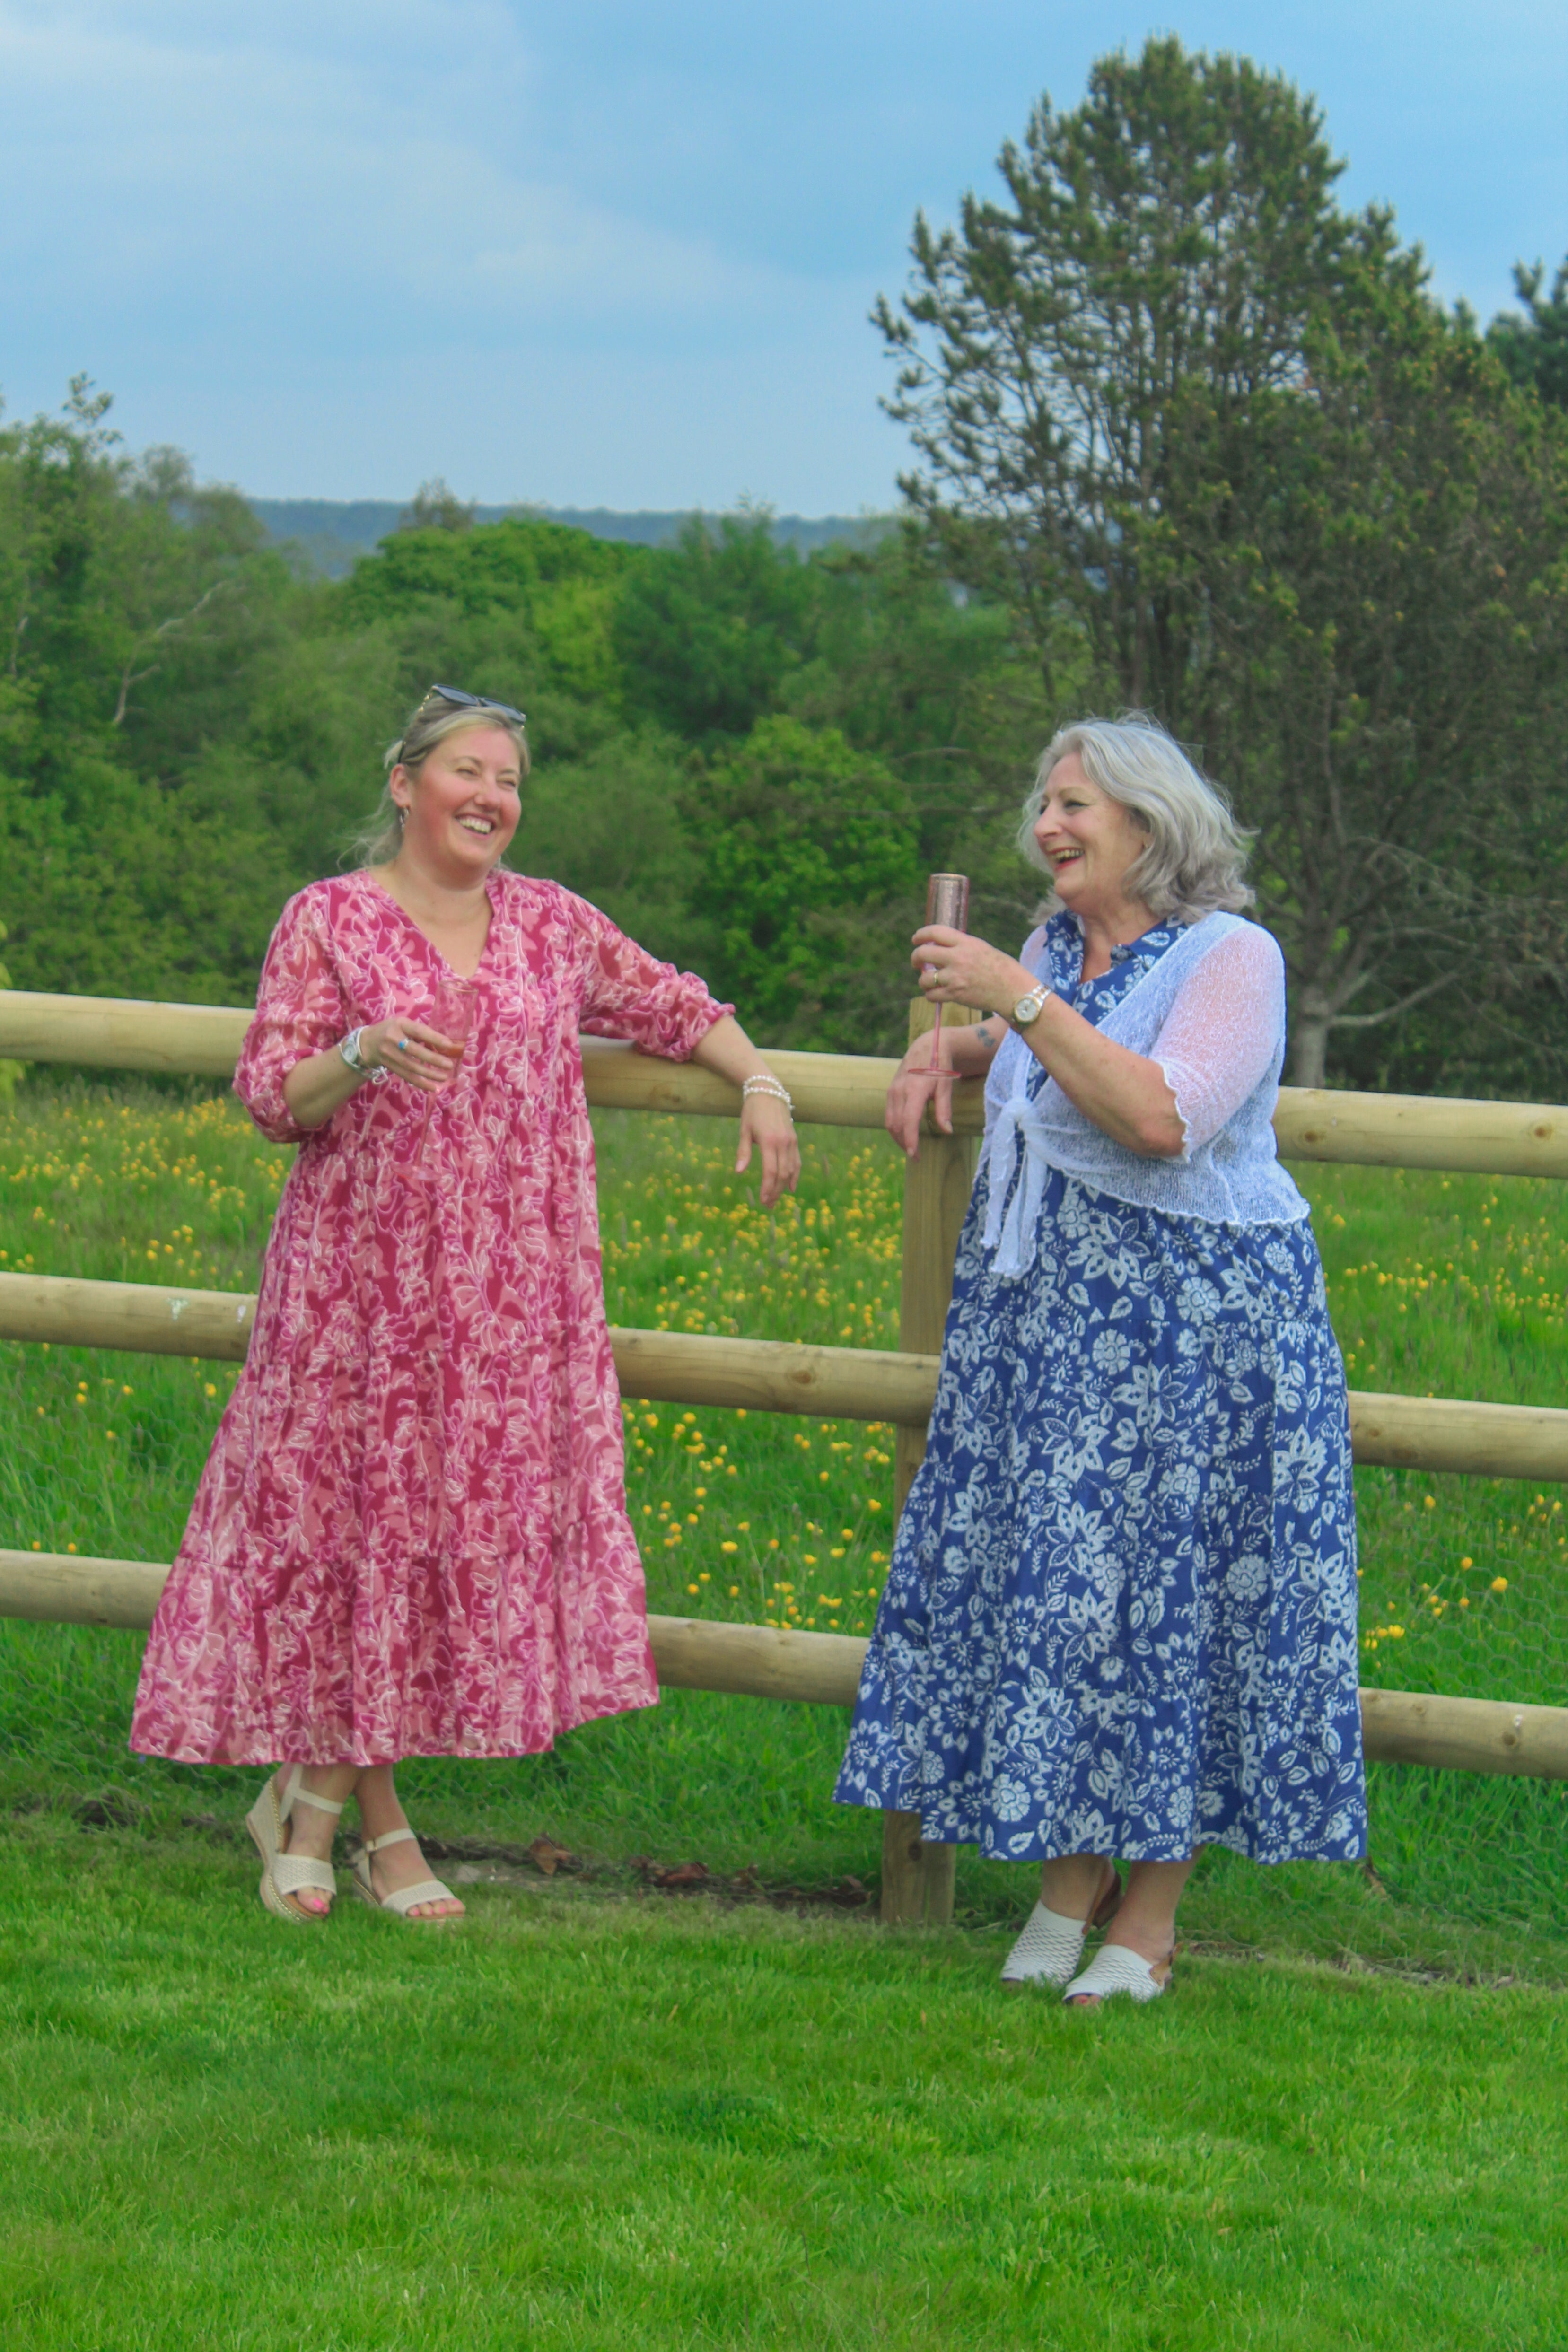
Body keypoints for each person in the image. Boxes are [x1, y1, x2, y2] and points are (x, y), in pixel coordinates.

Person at [131, 685, 799, 1924]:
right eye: (468, 771)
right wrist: (368, 1047)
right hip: (355, 1296)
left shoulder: (549, 923)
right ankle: (348, 1821)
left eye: (511, 781)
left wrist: (760, 1081)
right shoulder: (326, 918)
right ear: (404, 783)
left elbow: (675, 1004)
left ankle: (321, 1807)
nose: (494, 797)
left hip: (507, 1307)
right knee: (351, 1540)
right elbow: (275, 1095)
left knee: (426, 1546)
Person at [835, 713, 1364, 2004]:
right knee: (1071, 1602)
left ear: (1148, 822)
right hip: (1058, 1330)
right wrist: (947, 1046)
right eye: (1044, 804)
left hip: (1196, 1337)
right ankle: (1070, 1883)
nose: (1048, 825)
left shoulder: (1237, 955)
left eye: (1075, 804)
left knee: (1180, 1604)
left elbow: (1159, 1112)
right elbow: (1047, 1051)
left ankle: (1153, 1911)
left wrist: (1010, 1003)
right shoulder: (1055, 953)